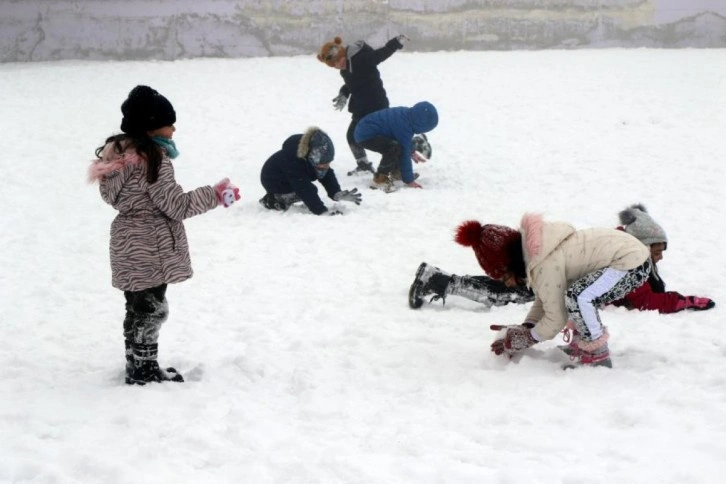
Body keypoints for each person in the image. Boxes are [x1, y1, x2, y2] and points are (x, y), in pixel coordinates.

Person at [88, 85, 240, 385]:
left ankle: (136, 363)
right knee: (153, 310)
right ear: (150, 126)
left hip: (126, 240)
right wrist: (216, 194)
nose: (173, 129)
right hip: (151, 244)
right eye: (169, 123)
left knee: (137, 308)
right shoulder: (153, 161)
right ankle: (144, 371)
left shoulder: (118, 158)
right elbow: (177, 206)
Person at [455, 214, 651, 368]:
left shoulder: (544, 264)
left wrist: (529, 337)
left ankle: (596, 352)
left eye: (504, 277)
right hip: (629, 258)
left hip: (629, 262)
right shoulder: (539, 255)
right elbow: (546, 299)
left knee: (578, 297)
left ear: (511, 263)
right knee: (573, 295)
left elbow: (555, 317)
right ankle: (585, 341)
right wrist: (527, 326)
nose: (507, 284)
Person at [317, 34, 408, 175]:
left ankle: (400, 165)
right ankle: (363, 164)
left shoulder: (361, 59)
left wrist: (396, 43)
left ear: (342, 53)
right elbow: (351, 84)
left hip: (376, 105)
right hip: (360, 107)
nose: (337, 66)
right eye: (333, 66)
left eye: (338, 61)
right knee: (352, 136)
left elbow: (380, 55)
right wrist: (343, 93)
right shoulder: (345, 69)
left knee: (384, 139)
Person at [611, 204, 715, 313]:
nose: (661, 258)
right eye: (656, 253)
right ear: (642, 249)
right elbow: (645, 302)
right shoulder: (625, 262)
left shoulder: (630, 255)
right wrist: (685, 301)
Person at [259, 127, 362, 215]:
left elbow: (327, 175)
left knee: (307, 191)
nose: (326, 166)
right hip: (275, 181)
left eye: (328, 163)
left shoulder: (313, 155)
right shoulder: (292, 160)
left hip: (292, 178)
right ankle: (273, 199)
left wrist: (336, 193)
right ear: (313, 157)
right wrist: (321, 211)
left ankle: (286, 197)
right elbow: (304, 188)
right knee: (303, 192)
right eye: (323, 164)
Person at [354, 101, 439, 191]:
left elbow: (403, 139)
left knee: (398, 146)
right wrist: (409, 180)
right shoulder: (404, 125)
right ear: (421, 125)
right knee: (393, 148)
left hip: (367, 129)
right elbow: (405, 153)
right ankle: (380, 180)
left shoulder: (407, 115)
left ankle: (396, 173)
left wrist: (412, 151)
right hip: (365, 135)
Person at [408, 262, 535, 309]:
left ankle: (440, 277)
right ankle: (435, 280)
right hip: (543, 281)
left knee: (501, 287)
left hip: (542, 274)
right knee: (501, 295)